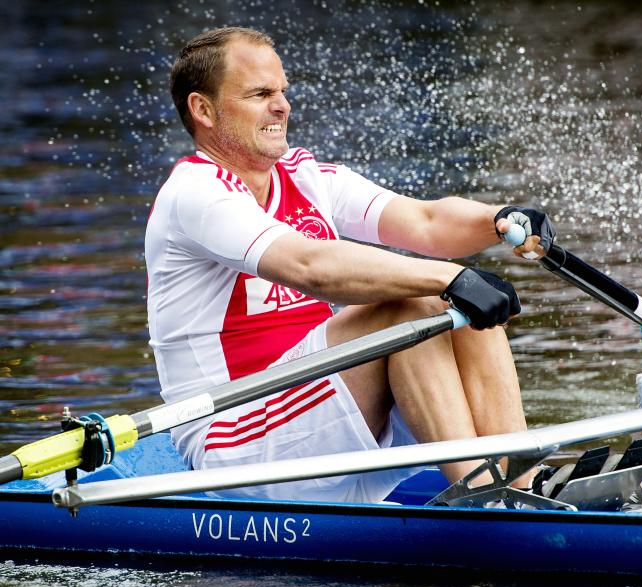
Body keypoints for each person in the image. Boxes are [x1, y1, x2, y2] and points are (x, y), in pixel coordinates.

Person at [145, 27, 556, 503]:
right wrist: (451, 277)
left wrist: (499, 219)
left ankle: (524, 480)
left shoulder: (307, 176)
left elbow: (425, 222)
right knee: (416, 304)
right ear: (203, 109)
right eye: (260, 94)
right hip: (234, 439)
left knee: (469, 311)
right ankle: (488, 498)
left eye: (282, 91)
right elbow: (308, 264)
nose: (282, 106)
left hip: (316, 409)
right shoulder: (194, 194)